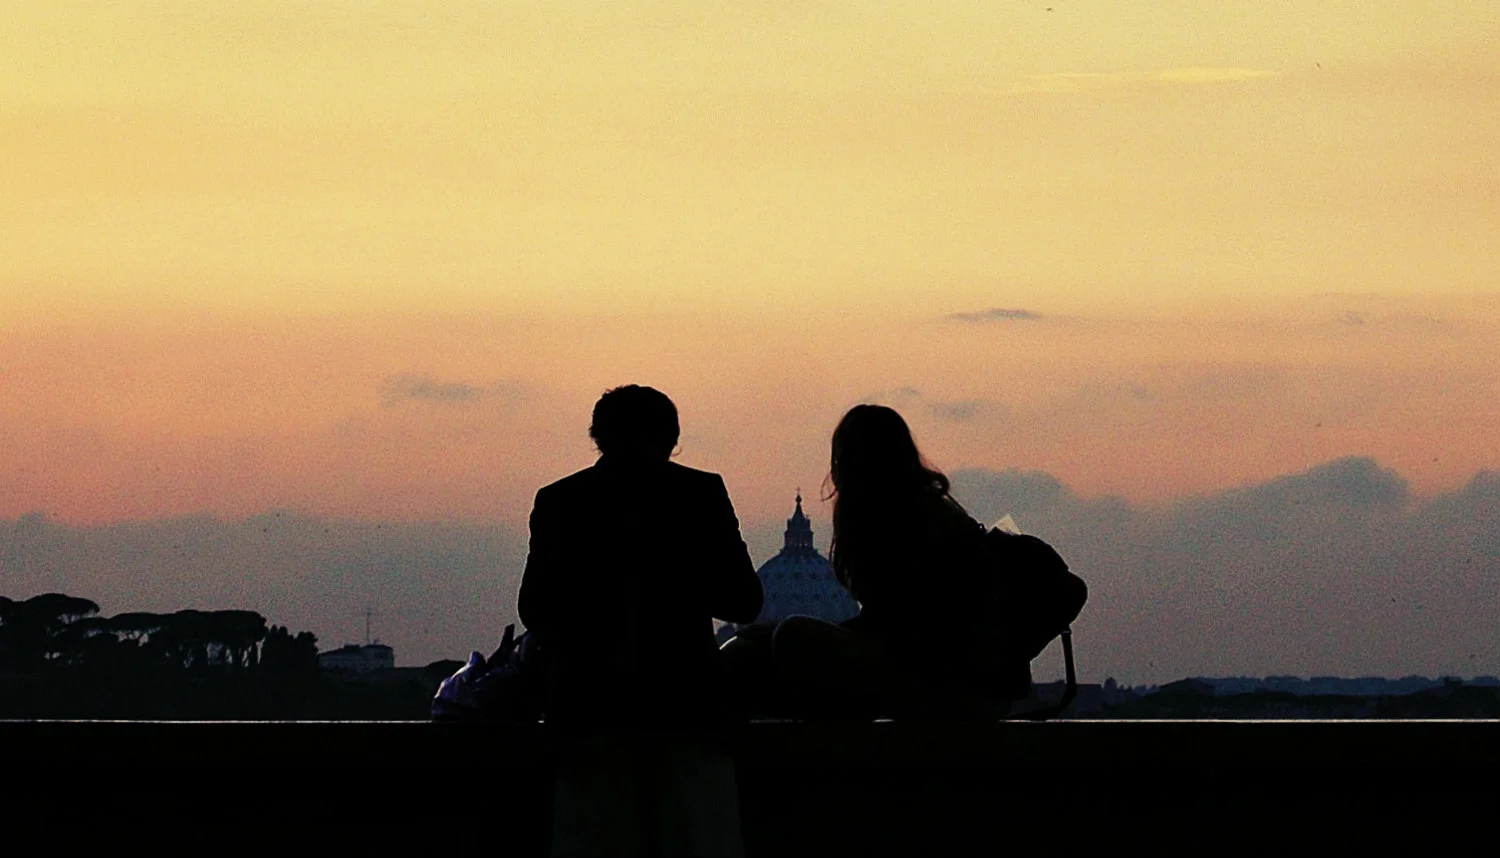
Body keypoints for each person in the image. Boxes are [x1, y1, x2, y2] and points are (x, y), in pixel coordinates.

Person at [518, 384, 763, 857]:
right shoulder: (702, 493)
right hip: (686, 711)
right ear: (672, 438)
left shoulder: (559, 500)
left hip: (590, 714)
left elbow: (536, 610)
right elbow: (743, 602)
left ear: (598, 437)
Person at [771, 404, 1007, 719]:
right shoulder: (932, 512)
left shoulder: (905, 523)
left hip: (933, 678)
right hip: (940, 670)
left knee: (789, 638)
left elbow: (893, 627)